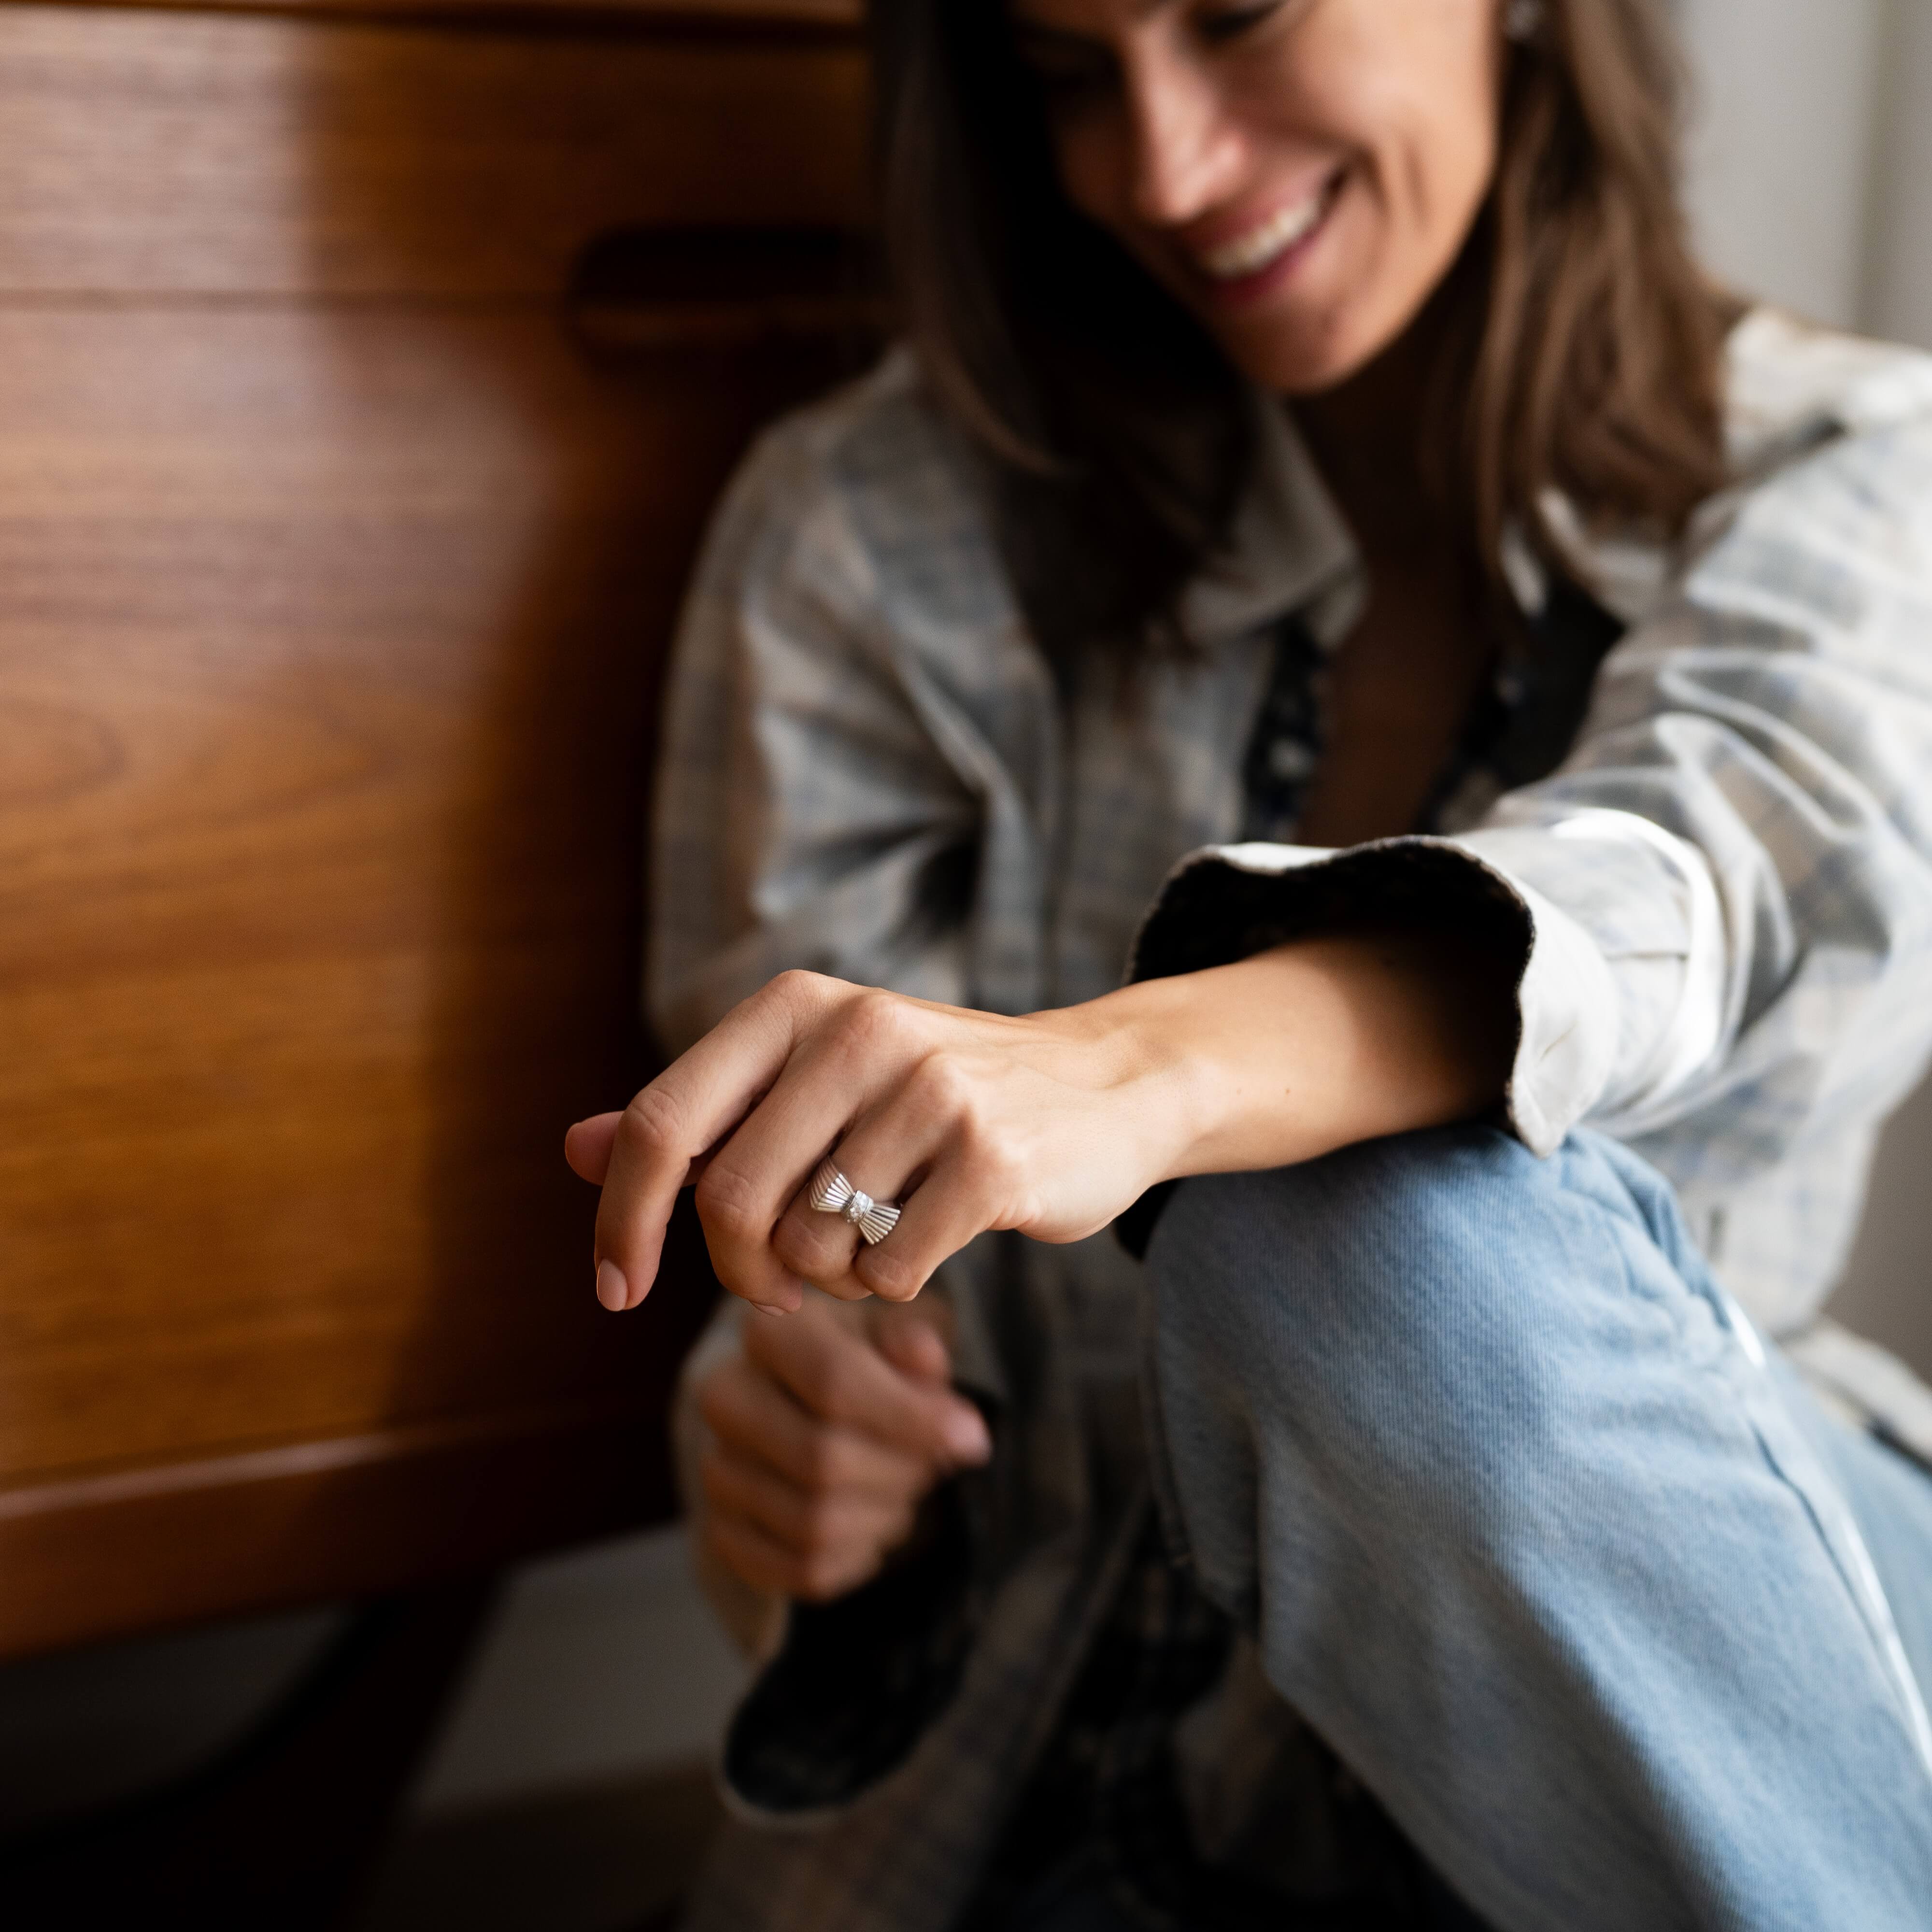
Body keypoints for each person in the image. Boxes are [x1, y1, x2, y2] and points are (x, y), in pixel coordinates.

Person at [565, 0, 1932, 1924]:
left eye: (1239, 17)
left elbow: (1700, 876)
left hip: (1741, 1683)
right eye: (1062, 72)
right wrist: (790, 1445)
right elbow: (803, 1292)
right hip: (1084, 1777)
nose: (1168, 171)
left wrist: (1142, 1076)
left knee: (1347, 1240)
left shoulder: (1863, 474)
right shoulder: (872, 534)